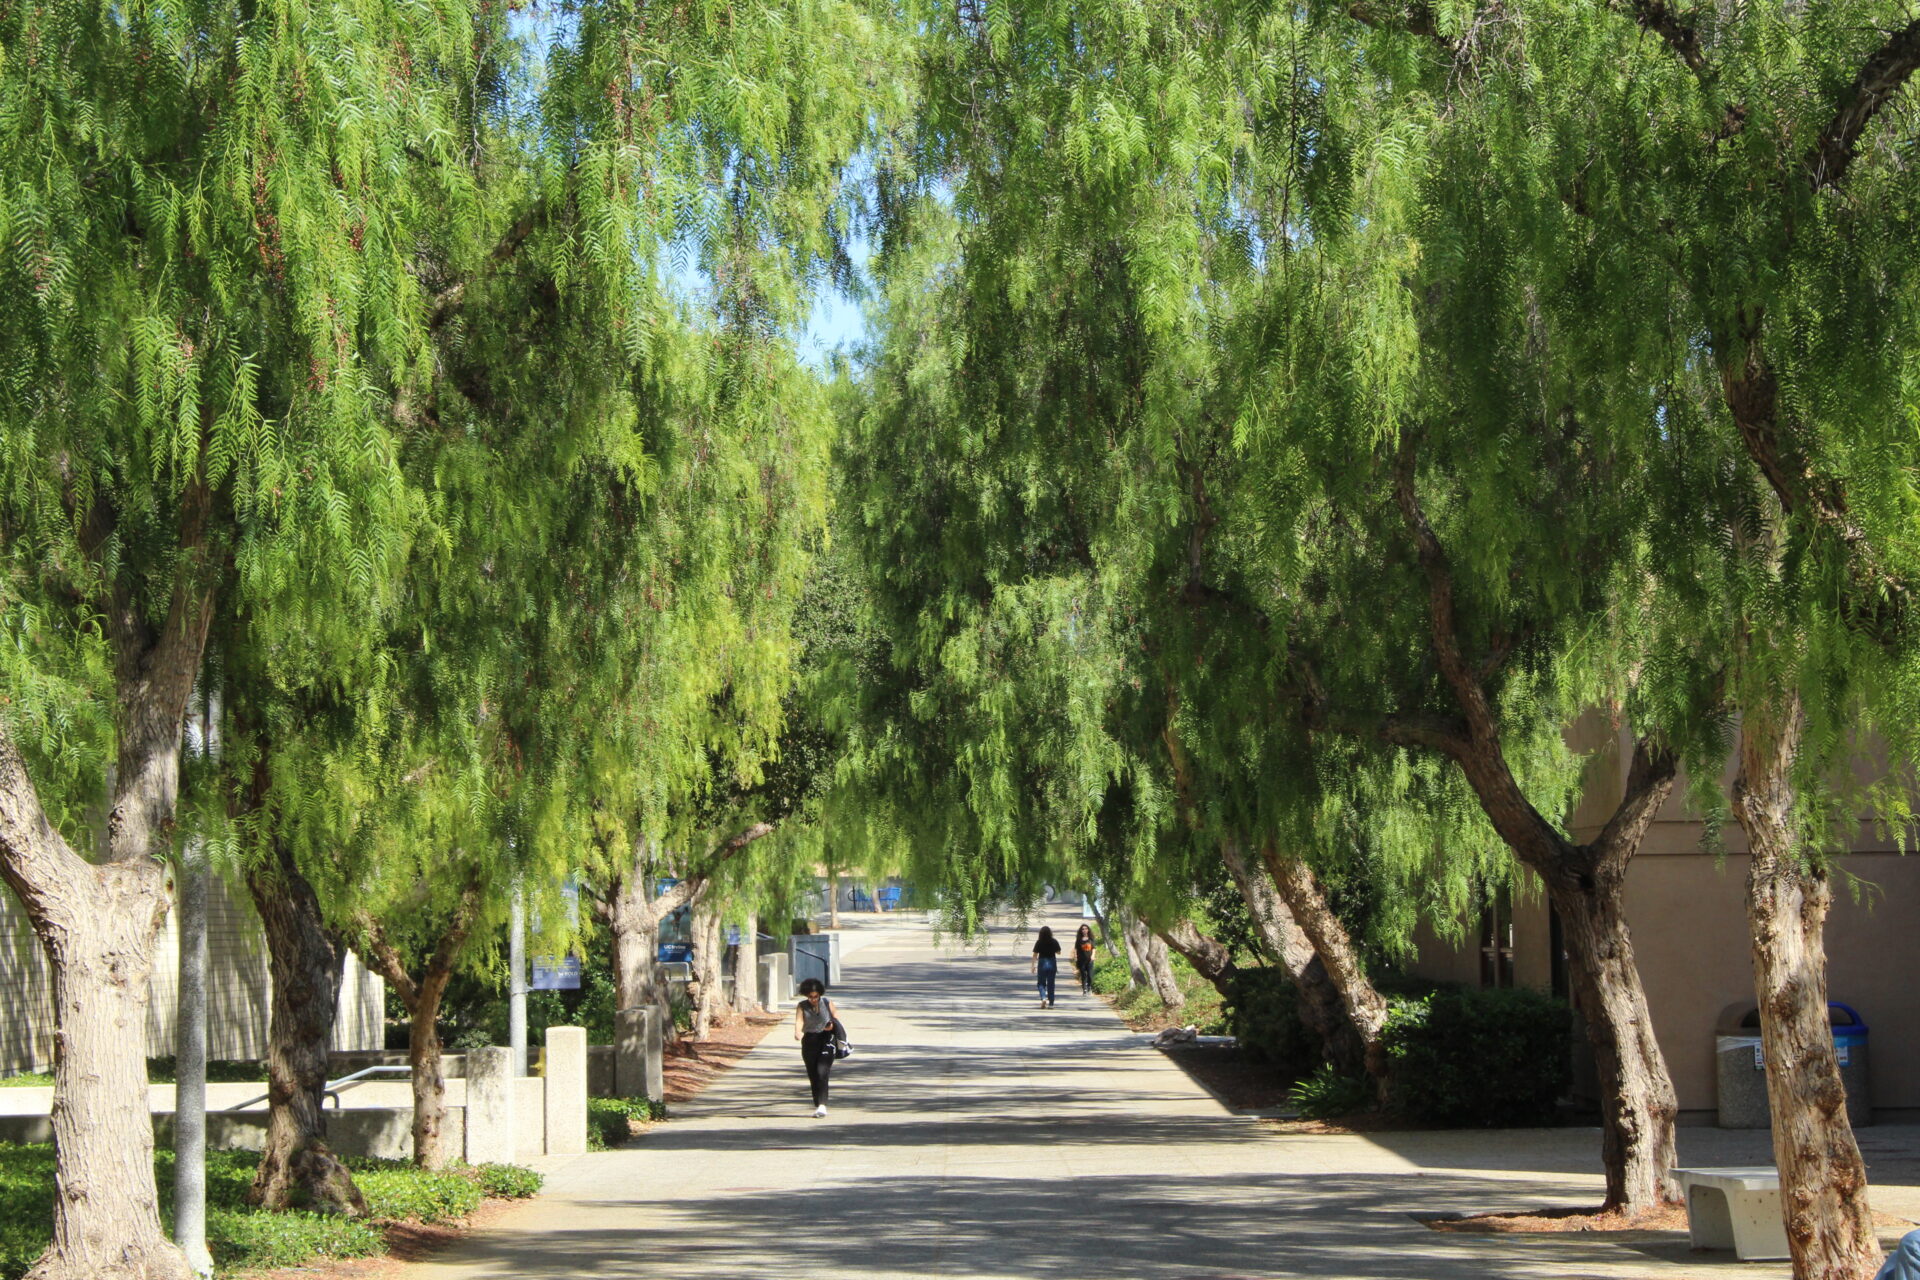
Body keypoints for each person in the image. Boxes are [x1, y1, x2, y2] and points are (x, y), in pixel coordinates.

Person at [792, 978, 844, 1118]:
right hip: (810, 1041)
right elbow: (799, 1020)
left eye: (816, 996)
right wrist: (798, 1032)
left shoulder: (827, 1003)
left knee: (822, 1071)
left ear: (819, 994)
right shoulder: (802, 1005)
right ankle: (818, 1103)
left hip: (826, 1039)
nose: (814, 999)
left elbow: (836, 1019)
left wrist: (831, 1026)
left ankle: (822, 1105)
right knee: (813, 1073)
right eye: (810, 997)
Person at [1030, 925, 1063, 1008]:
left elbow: (1035, 955)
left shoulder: (1039, 942)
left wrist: (1033, 966)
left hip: (1042, 962)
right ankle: (1051, 1003)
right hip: (1052, 962)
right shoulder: (1054, 941)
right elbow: (1059, 952)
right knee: (1051, 984)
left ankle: (1043, 997)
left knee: (1041, 983)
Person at [1072, 923, 1097, 995]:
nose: (1084, 930)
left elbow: (1094, 948)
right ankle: (1084, 989)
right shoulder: (1079, 940)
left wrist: (1093, 956)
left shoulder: (1091, 939)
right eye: (1083, 929)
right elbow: (1076, 949)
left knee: (1089, 975)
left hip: (1090, 960)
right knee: (1083, 974)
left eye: (1086, 929)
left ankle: (1089, 987)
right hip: (1081, 960)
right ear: (1081, 931)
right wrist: (1075, 957)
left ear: (1088, 930)